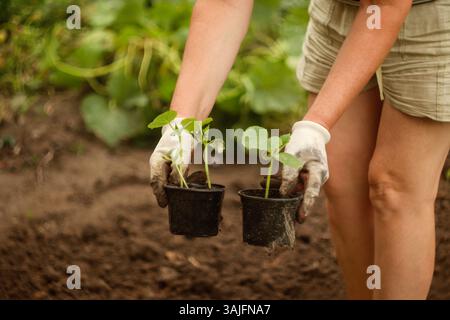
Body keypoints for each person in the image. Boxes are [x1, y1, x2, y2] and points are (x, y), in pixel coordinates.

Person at [149, 0, 450, 299]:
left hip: (431, 16)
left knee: (393, 187)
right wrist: (182, 124)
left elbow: (385, 5)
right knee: (343, 181)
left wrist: (315, 126)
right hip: (340, 10)